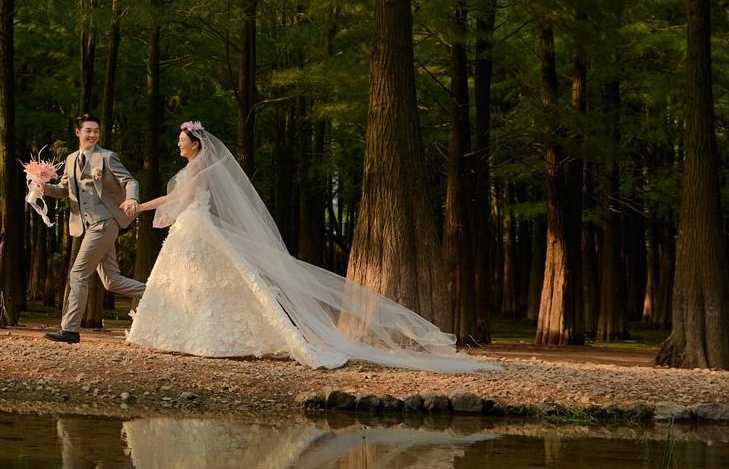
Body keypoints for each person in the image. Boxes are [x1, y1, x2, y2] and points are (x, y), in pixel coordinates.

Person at [128, 121, 497, 372]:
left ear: (196, 143)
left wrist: (140, 207)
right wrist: (142, 207)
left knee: (209, 282)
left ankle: (203, 334)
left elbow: (179, 200)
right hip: (192, 230)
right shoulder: (196, 167)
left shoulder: (197, 170)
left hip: (196, 228)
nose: (178, 142)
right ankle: (182, 332)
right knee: (196, 283)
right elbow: (175, 199)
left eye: (182, 138)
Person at [35, 113, 146, 345]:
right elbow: (64, 190)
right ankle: (155, 293)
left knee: (78, 274)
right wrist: (42, 187)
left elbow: (130, 181)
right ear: (78, 132)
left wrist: (132, 199)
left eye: (96, 131)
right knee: (112, 281)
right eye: (88, 130)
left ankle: (70, 329)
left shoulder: (107, 157)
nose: (93, 135)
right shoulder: (70, 159)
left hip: (104, 223)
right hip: (87, 225)